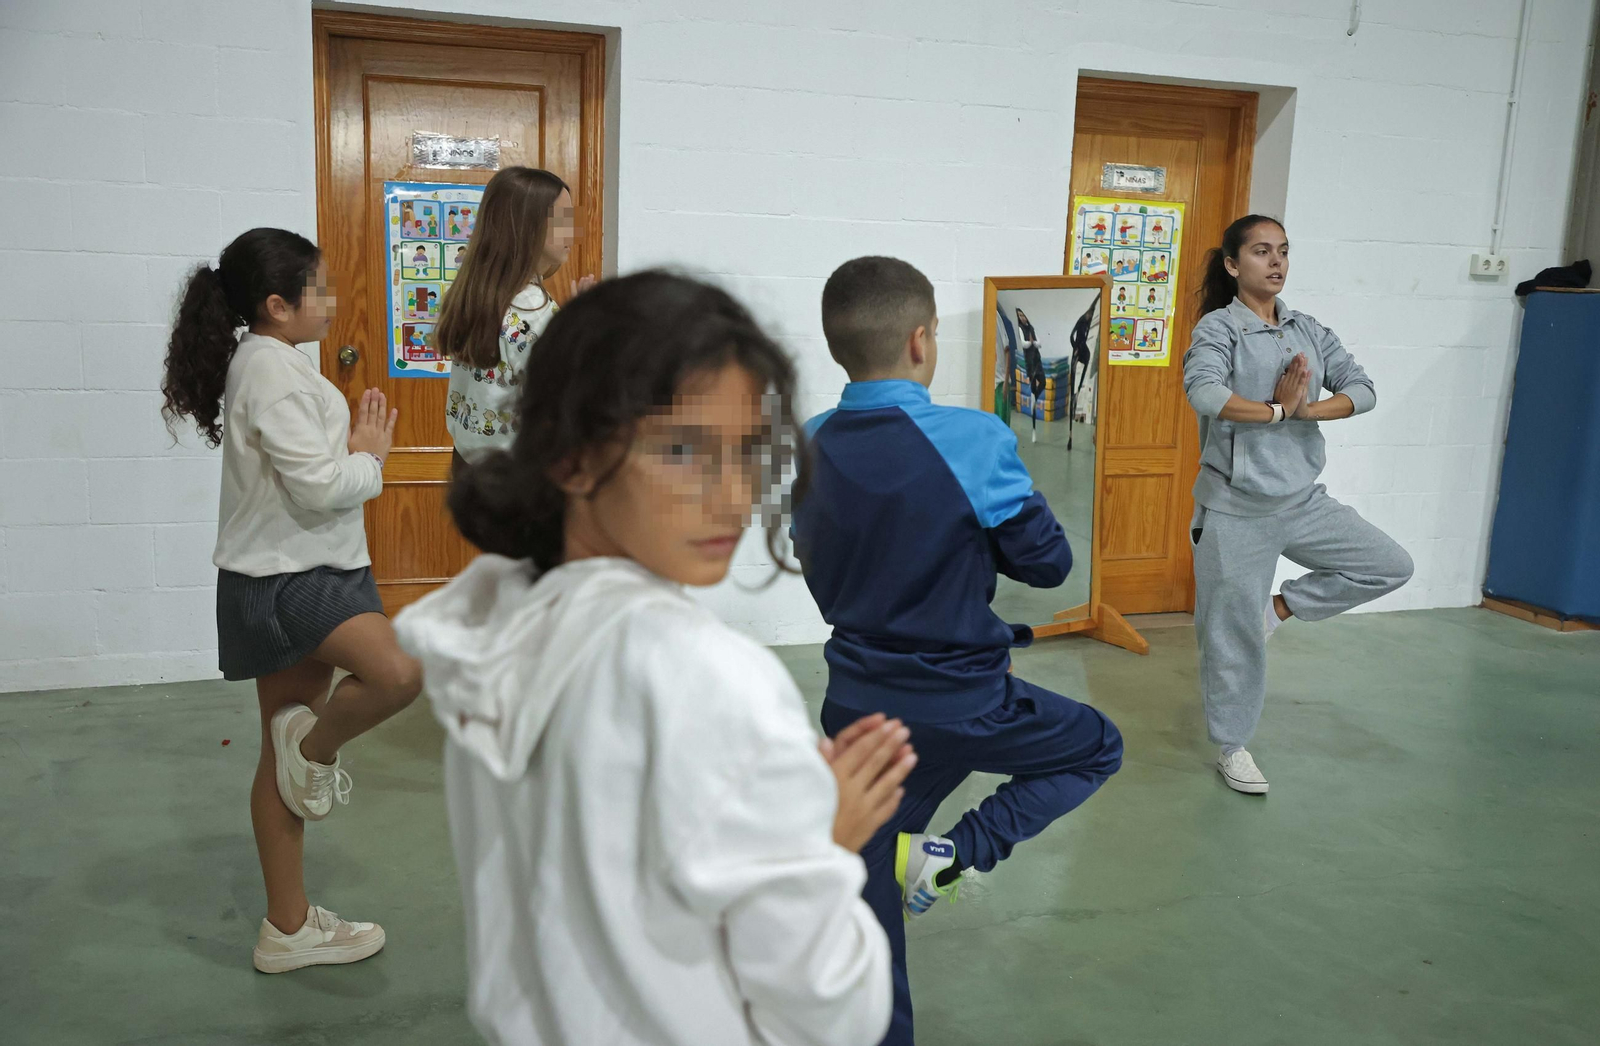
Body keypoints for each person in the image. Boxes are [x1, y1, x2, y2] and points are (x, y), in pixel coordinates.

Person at [395, 272, 910, 1046]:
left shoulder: (497, 624)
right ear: (569, 456)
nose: (733, 497)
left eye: (746, 453)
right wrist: (821, 845)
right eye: (681, 450)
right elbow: (831, 1013)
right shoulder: (707, 678)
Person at [794, 256, 1124, 1046]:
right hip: (967, 703)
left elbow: (819, 560)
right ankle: (955, 852)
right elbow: (1048, 566)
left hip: (858, 704)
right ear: (920, 339)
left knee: (867, 904)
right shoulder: (973, 438)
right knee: (1095, 747)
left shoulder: (805, 443)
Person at [159, 228, 422, 972]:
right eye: (320, 288)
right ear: (277, 304)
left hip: (305, 566)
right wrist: (371, 457)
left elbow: (306, 478)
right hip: (290, 580)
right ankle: (314, 751)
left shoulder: (271, 361)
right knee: (399, 675)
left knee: (277, 758)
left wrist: (356, 455)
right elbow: (318, 485)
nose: (333, 301)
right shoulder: (269, 369)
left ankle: (287, 927)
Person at [1184, 215, 1414, 795]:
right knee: (1228, 639)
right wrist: (1277, 411)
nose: (1276, 262)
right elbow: (1206, 393)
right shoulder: (1219, 330)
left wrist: (1306, 410)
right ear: (1234, 266)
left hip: (1303, 499)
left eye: (1283, 251)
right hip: (1235, 507)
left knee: (1389, 565)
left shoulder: (1307, 328)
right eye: (1262, 252)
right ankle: (1233, 747)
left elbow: (1361, 390)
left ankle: (1278, 610)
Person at [434, 167, 593, 473]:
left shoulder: (474, 295)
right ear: (527, 226)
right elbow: (564, 405)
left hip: (468, 465)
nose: (572, 231)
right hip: (516, 477)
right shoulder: (534, 311)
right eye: (562, 219)